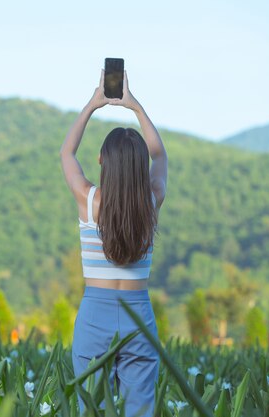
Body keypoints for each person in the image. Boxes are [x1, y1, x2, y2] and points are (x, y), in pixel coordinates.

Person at [59, 68, 168, 416]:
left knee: (93, 408)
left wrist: (93, 104)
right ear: (139, 166)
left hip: (95, 316)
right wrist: (135, 106)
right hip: (139, 314)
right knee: (140, 410)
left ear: (103, 161)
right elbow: (161, 156)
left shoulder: (89, 200)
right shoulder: (151, 200)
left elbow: (66, 154)